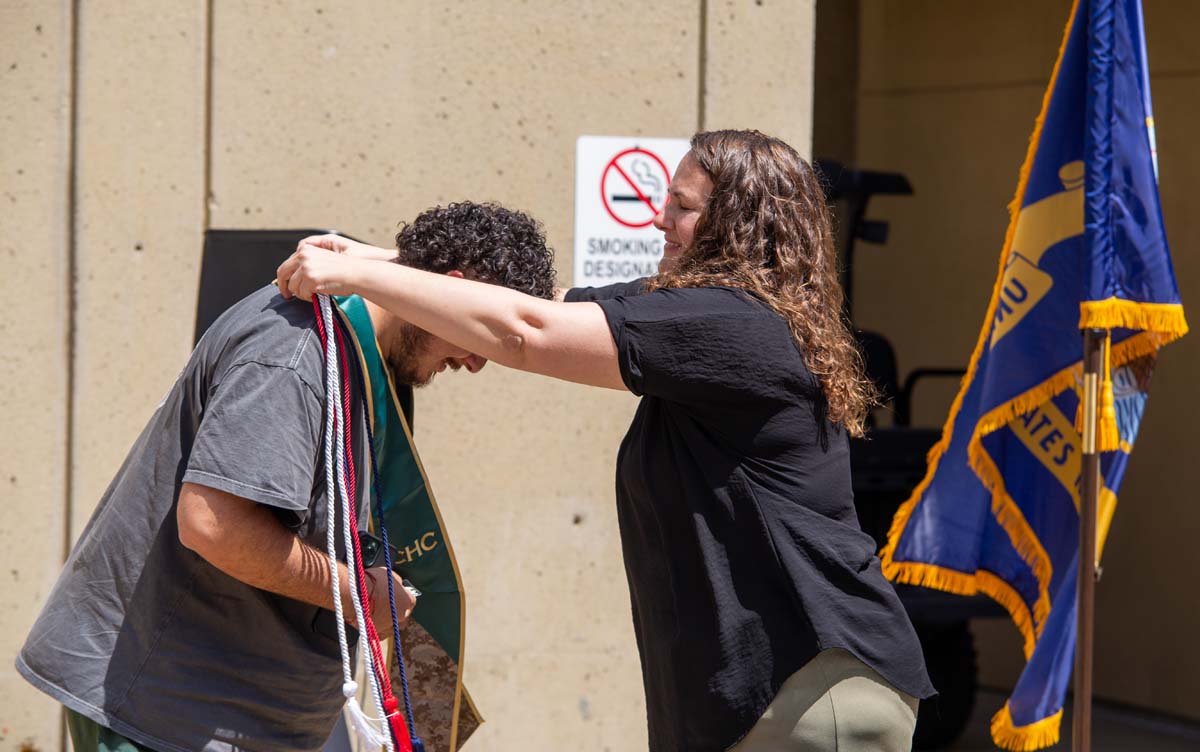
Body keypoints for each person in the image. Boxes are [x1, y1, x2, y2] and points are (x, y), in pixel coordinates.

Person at [277, 129, 936, 752]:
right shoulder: (703, 313)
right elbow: (541, 300)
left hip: (813, 691)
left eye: (680, 206)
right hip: (777, 696)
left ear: (737, 224)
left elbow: (526, 332)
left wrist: (355, 278)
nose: (658, 219)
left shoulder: (730, 326)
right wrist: (363, 256)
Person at [17, 202, 557, 752]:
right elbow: (213, 525)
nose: (478, 363)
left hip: (232, 711)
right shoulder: (296, 352)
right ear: (452, 290)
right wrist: (358, 594)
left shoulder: (359, 348)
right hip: (169, 714)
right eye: (486, 338)